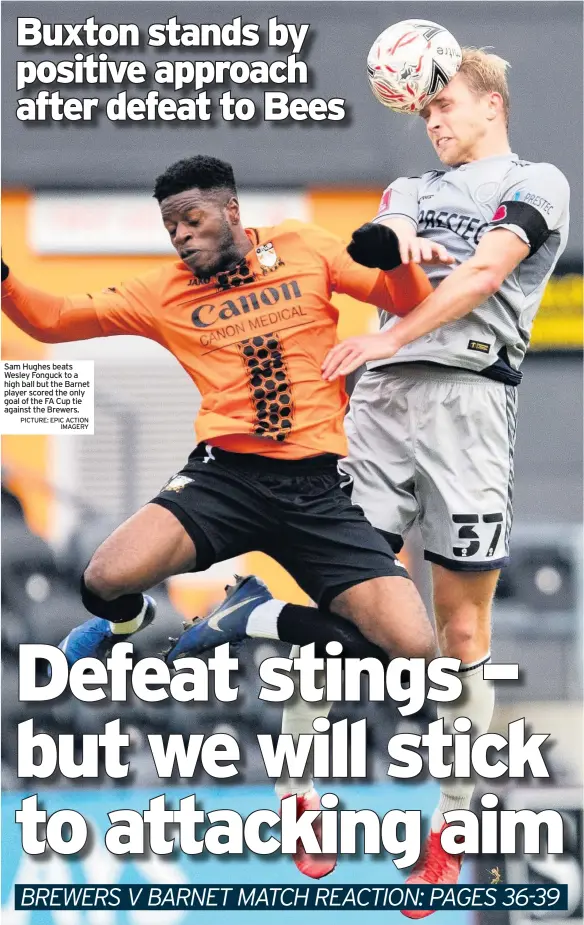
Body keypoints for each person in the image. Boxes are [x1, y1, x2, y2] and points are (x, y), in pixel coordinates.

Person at [2, 154, 447, 879]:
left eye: (192, 219)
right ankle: (124, 626)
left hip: (319, 492)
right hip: (226, 479)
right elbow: (54, 320)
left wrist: (394, 262)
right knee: (103, 576)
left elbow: (408, 298)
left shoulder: (302, 247)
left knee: (414, 655)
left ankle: (254, 616)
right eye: (169, 225)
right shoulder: (164, 290)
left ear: (233, 212)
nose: (180, 235)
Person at [318, 48, 570, 911]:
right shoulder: (406, 189)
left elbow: (488, 270)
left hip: (469, 402)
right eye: (422, 109)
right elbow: (388, 258)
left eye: (446, 103)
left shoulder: (538, 181)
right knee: (342, 594)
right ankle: (307, 793)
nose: (431, 120)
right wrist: (393, 253)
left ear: (491, 102)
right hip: (383, 404)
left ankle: (446, 827)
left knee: (463, 632)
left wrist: (392, 329)